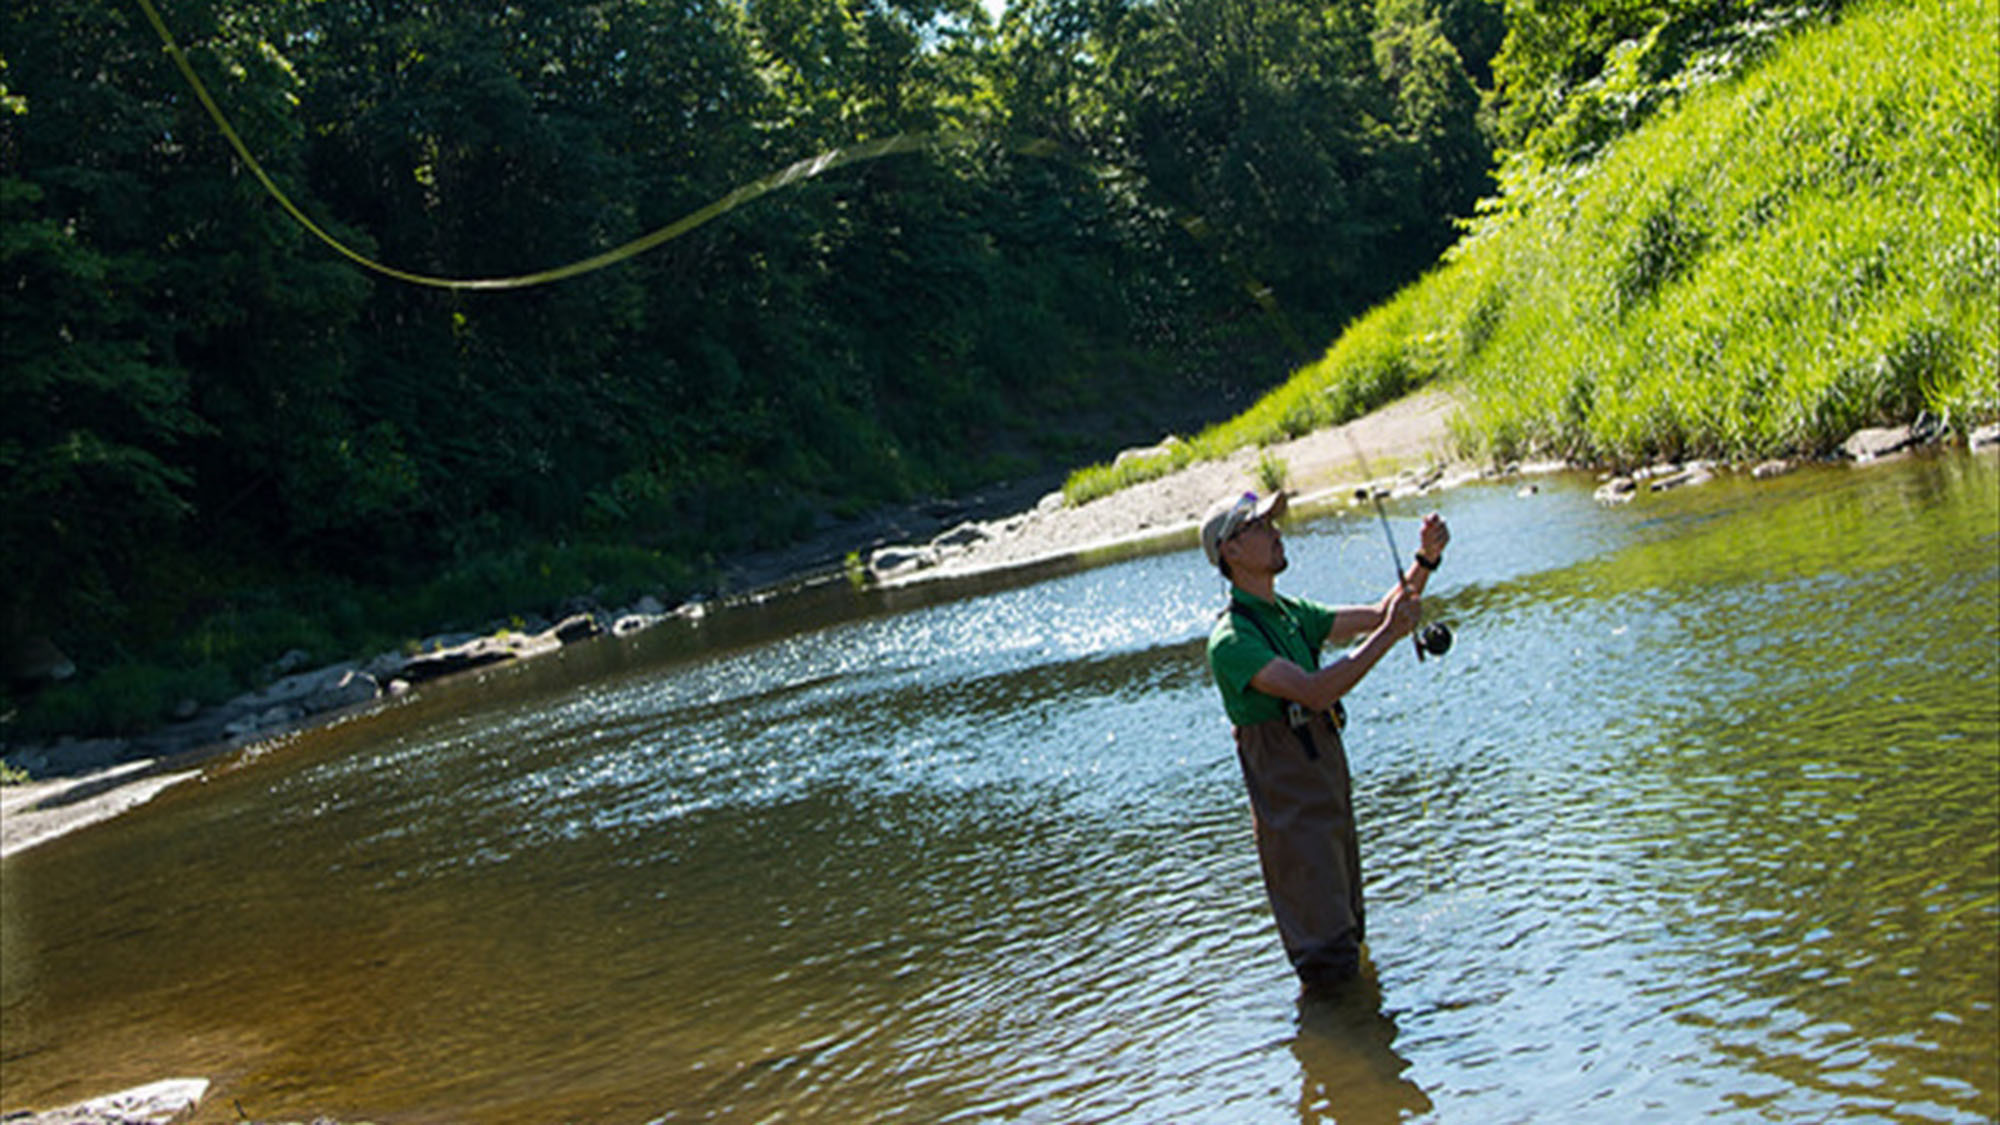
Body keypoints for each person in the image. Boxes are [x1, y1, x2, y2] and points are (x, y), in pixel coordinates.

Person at [1201, 488, 1449, 991]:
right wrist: (1389, 637)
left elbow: (1384, 613)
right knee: (1328, 961)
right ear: (1230, 551)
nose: (1277, 533)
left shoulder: (1290, 613)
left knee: (1351, 943)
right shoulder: (1231, 641)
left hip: (1329, 795)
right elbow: (1314, 692)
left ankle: (1339, 1063)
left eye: (1273, 523)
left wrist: (1426, 559)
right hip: (1293, 818)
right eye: (1262, 527)